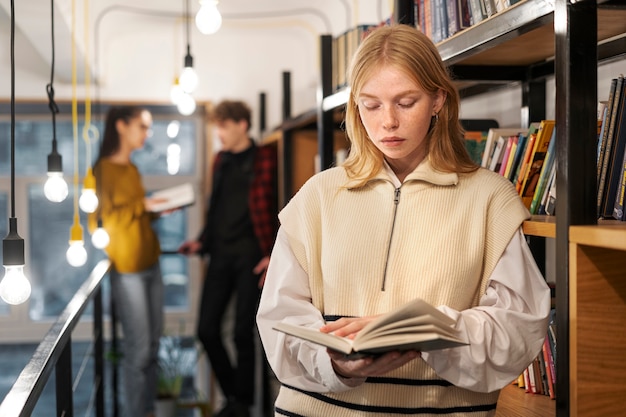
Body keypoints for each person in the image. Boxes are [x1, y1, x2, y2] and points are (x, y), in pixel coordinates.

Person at [256, 24, 551, 417]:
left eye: (406, 102)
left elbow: (518, 331)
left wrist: (432, 329)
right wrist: (334, 363)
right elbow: (279, 317)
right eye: (371, 105)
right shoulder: (317, 195)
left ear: (438, 100)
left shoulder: (490, 199)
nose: (388, 122)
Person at [178, 100, 278, 417]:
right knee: (206, 330)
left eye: (223, 126)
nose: (218, 133)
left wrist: (273, 252)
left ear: (242, 125)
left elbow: (279, 209)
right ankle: (236, 395)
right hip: (220, 253)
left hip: (251, 255)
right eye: (216, 126)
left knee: (241, 333)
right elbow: (216, 207)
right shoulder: (219, 160)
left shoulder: (265, 158)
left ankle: (242, 404)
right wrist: (201, 241)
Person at [89, 105, 164, 417]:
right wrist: (142, 205)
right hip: (128, 269)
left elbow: (134, 213)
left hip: (151, 262)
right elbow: (100, 223)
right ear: (121, 126)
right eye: (142, 127)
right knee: (139, 349)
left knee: (153, 347)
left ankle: (146, 410)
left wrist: (156, 208)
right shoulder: (101, 171)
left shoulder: (132, 168)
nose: (146, 133)